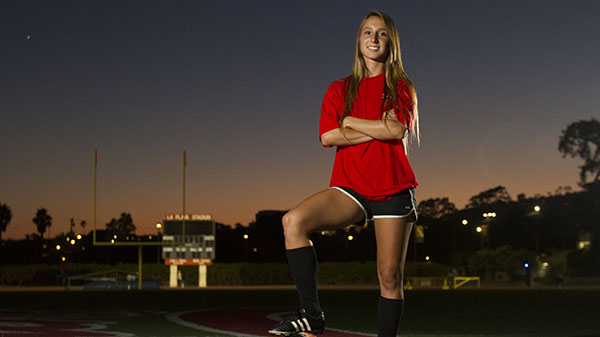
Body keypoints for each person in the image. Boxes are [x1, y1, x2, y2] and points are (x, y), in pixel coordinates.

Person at [268, 10, 419, 337]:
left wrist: (350, 122)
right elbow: (327, 136)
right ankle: (311, 315)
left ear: (390, 41)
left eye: (381, 33)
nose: (374, 39)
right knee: (293, 221)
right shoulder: (340, 89)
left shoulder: (400, 86)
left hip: (393, 189)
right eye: (367, 32)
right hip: (351, 188)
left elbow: (396, 129)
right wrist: (378, 129)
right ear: (359, 41)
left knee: (389, 276)